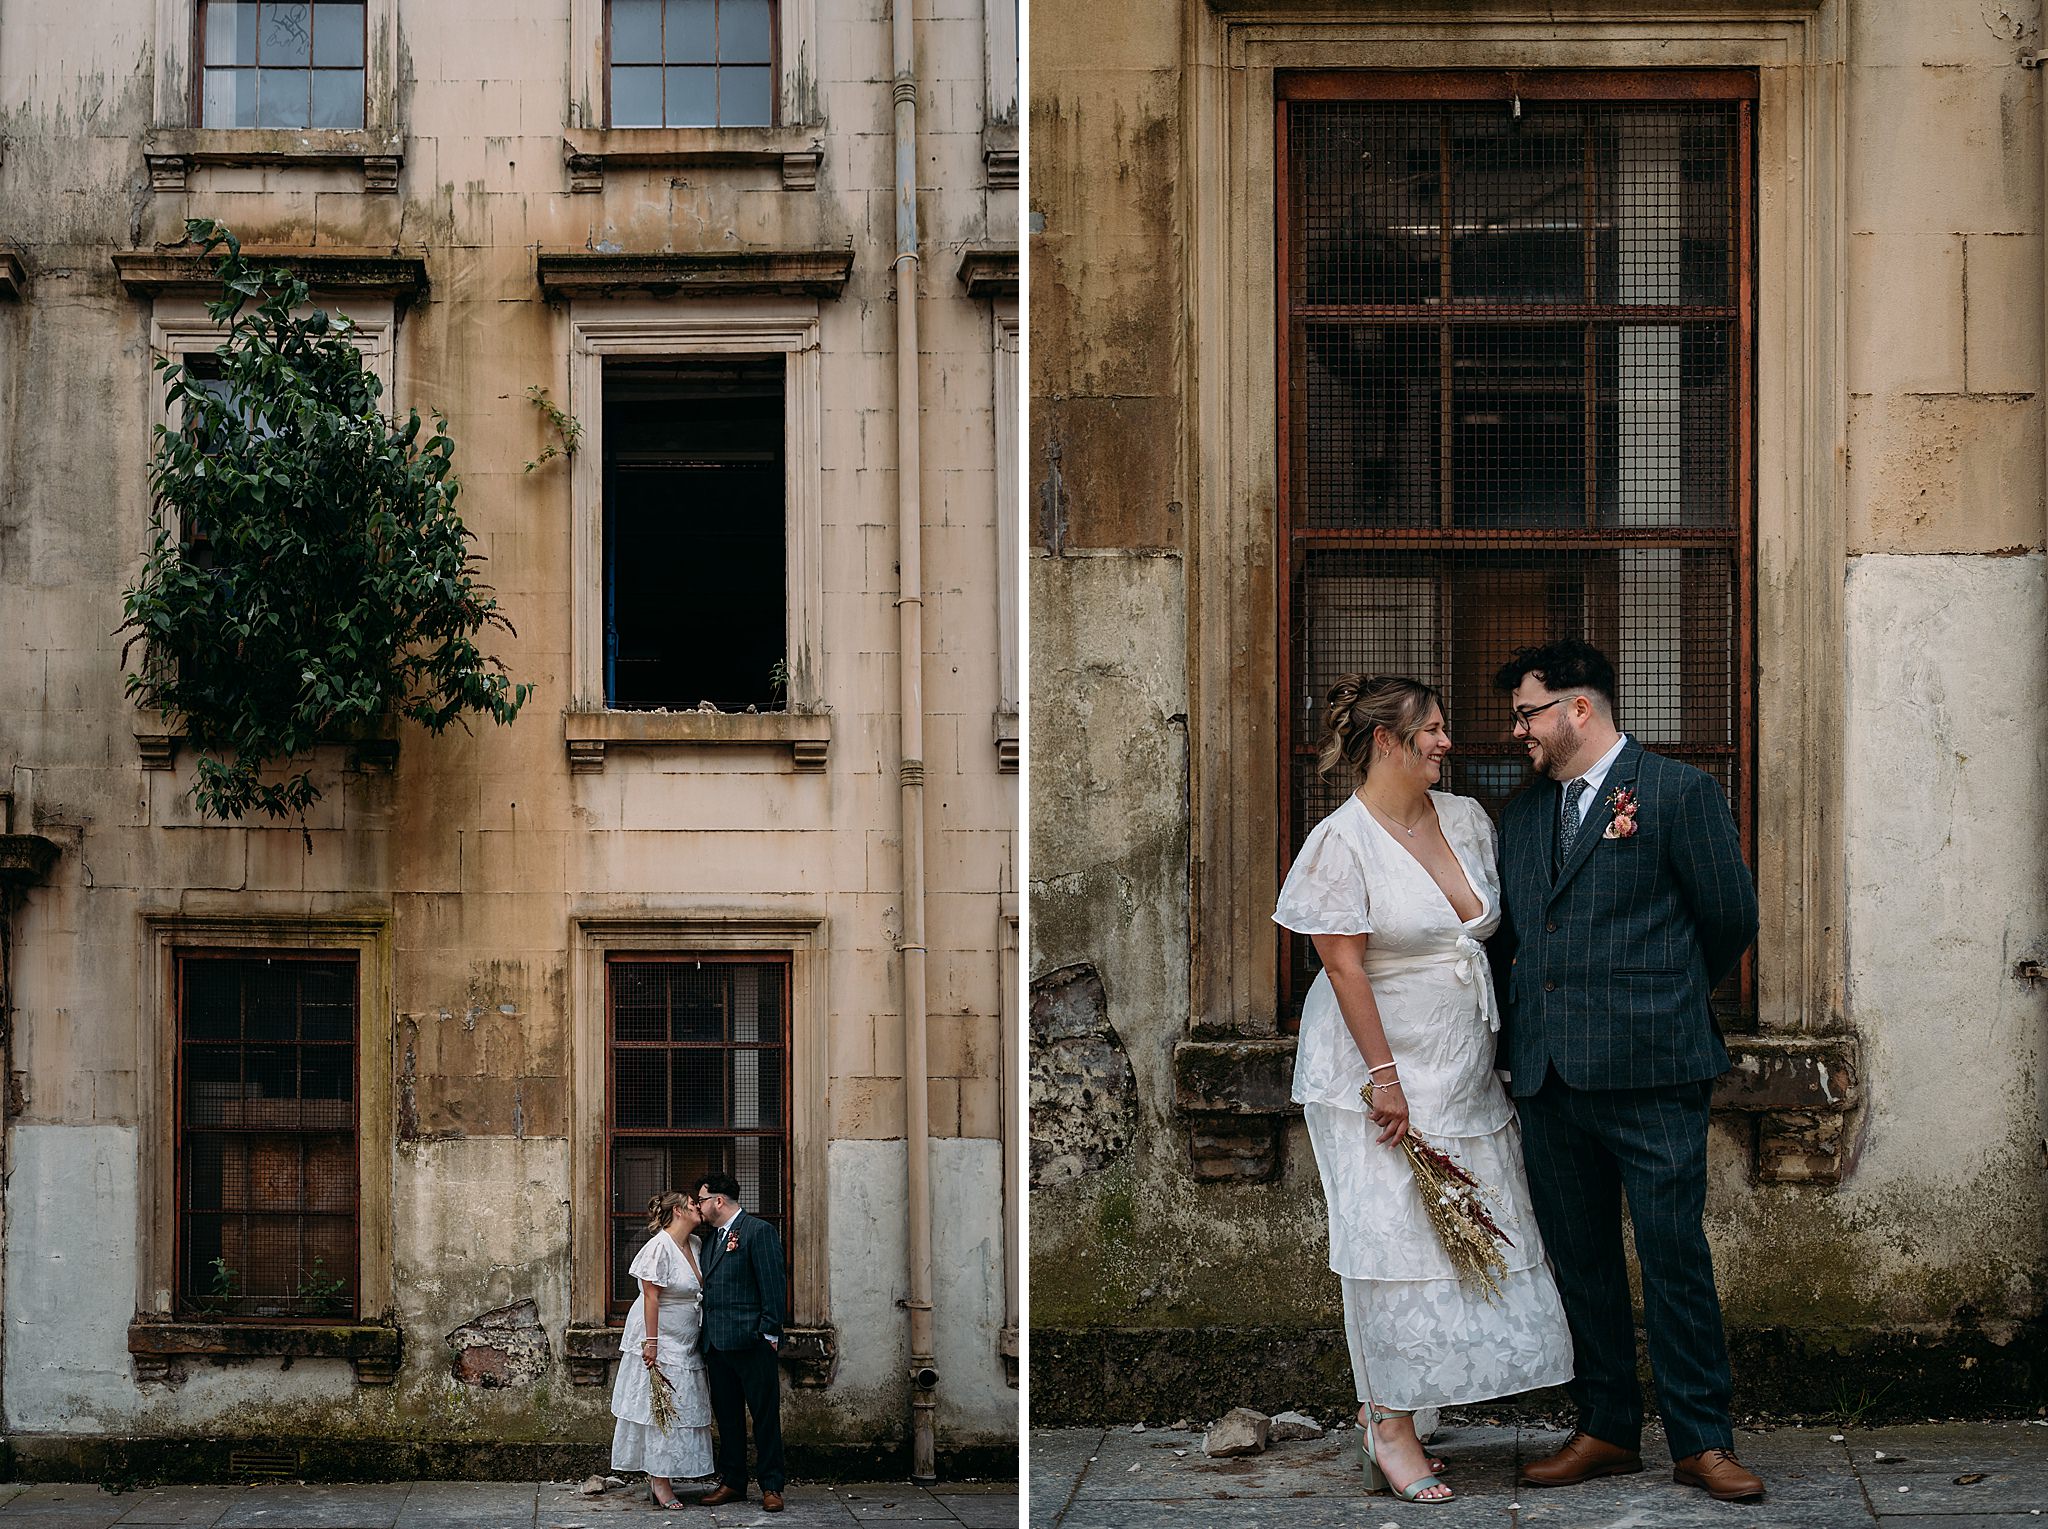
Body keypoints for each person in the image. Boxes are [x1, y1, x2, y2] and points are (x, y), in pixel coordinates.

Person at [1273, 674, 1574, 1506]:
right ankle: (1389, 1425)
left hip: (1462, 1063)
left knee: (1467, 1233)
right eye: (1433, 730)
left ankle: (1417, 1399)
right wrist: (1385, 1081)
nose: (1449, 741)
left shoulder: (1470, 820)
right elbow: (1341, 965)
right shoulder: (1341, 841)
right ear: (1387, 743)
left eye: (1444, 726)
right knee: (1394, 1245)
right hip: (1375, 1070)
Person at [1491, 640, 1763, 1503]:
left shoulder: (1680, 792)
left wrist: (1661, 999)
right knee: (1582, 1260)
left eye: (1527, 712)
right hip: (1549, 1077)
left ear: (1580, 708)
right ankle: (1607, 1425)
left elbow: (1729, 917)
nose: (1517, 730)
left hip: (1652, 1071)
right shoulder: (1524, 813)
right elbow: (1519, 938)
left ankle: (1701, 1439)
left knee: (1673, 1252)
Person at [610, 1191, 715, 1508]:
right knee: (659, 1408)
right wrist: (651, 1344)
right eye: (692, 1204)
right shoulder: (658, 1247)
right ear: (679, 1212)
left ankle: (669, 1471)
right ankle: (659, 1482)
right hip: (660, 1338)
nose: (699, 1208)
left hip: (685, 1341)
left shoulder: (695, 1245)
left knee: (682, 1406)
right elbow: (651, 1297)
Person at [693, 1172, 787, 1513]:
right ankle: (733, 1481)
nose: (698, 1206)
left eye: (702, 1199)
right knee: (728, 1418)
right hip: (717, 1346)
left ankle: (772, 1486)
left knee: (765, 1417)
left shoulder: (758, 1231)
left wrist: (767, 1334)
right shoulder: (710, 1240)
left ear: (718, 1200)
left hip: (752, 1343)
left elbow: (774, 1287)